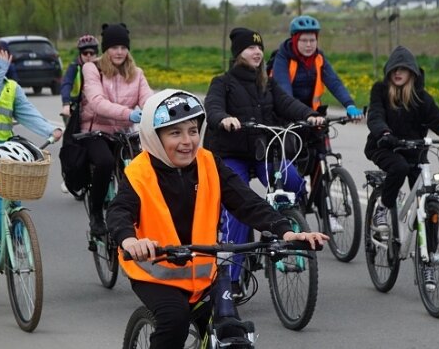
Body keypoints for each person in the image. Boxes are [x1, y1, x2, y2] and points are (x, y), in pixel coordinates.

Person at [107, 89, 329, 349]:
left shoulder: (209, 163)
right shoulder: (138, 172)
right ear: (155, 137)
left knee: (232, 333)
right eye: (174, 133)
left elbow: (245, 201)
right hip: (156, 274)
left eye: (192, 130)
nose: (187, 141)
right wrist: (130, 239)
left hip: (205, 271)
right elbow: (118, 211)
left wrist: (285, 230)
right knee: (174, 321)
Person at [203, 27, 325, 292]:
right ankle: (233, 280)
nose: (256, 52)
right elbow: (212, 107)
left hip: (263, 150)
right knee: (238, 207)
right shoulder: (222, 83)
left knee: (293, 180)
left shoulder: (267, 83)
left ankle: (280, 222)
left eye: (259, 47)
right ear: (238, 54)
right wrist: (223, 119)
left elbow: (287, 104)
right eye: (250, 48)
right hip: (232, 153)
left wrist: (309, 115)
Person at [365, 45, 439, 288]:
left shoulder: (421, 98)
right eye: (394, 69)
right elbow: (375, 116)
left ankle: (428, 264)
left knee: (430, 200)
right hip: (385, 147)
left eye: (403, 69)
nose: (398, 73)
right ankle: (383, 206)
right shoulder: (380, 90)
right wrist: (383, 132)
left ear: (412, 72)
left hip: (415, 152)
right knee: (399, 168)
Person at [0, 36, 62, 291]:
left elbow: (29, 115)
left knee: (9, 204)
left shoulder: (12, 88)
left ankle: (15, 236)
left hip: (3, 153)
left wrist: (52, 128)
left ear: (4, 59)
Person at [78, 23, 153, 236]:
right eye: (113, 47)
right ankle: (96, 216)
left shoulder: (136, 73)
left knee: (144, 167)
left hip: (124, 133)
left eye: (123, 47)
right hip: (96, 131)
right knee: (105, 162)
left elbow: (147, 98)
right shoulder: (92, 68)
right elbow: (96, 102)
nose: (119, 52)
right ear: (106, 49)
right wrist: (128, 114)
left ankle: (139, 216)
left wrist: (154, 109)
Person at [271, 15, 363, 119]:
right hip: (287, 113)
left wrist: (349, 104)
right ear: (295, 40)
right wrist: (306, 114)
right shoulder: (283, 58)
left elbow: (334, 82)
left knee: (323, 134)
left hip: (313, 114)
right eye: (304, 40)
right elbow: (284, 91)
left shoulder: (318, 58)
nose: (309, 45)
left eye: (312, 40)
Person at [59, 34, 100, 194]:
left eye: (92, 53)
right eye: (85, 54)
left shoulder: (102, 67)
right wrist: (66, 104)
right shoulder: (74, 67)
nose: (89, 57)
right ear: (80, 54)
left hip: (97, 109)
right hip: (77, 109)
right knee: (70, 142)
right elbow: (66, 84)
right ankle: (68, 175)